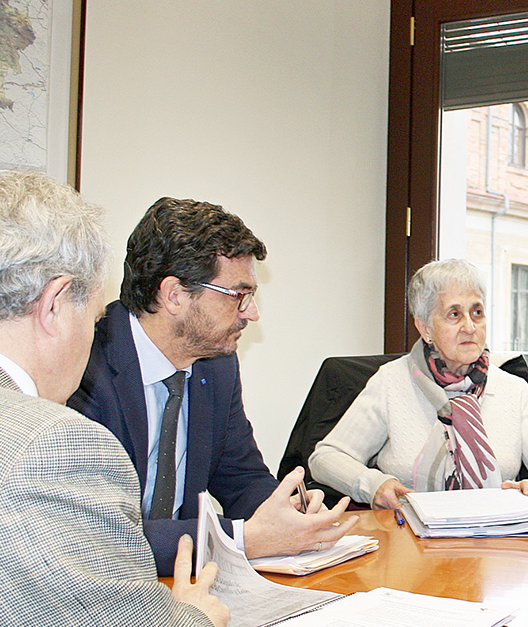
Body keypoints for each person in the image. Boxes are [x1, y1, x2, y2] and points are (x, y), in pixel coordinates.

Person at [0, 170, 234, 627]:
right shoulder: (51, 448)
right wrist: (191, 619)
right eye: (95, 312)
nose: (97, 332)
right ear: (56, 304)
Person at [68, 197, 357, 578]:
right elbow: (102, 537)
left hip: (181, 587)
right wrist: (243, 538)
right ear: (174, 295)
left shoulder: (217, 365)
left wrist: (287, 512)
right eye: (239, 295)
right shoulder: (84, 365)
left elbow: (239, 475)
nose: (252, 312)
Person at [309, 258, 528, 510]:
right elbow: (326, 458)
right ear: (425, 328)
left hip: (496, 542)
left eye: (477, 313)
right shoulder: (391, 381)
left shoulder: (511, 389)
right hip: (409, 543)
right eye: (454, 315)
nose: (470, 326)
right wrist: (372, 484)